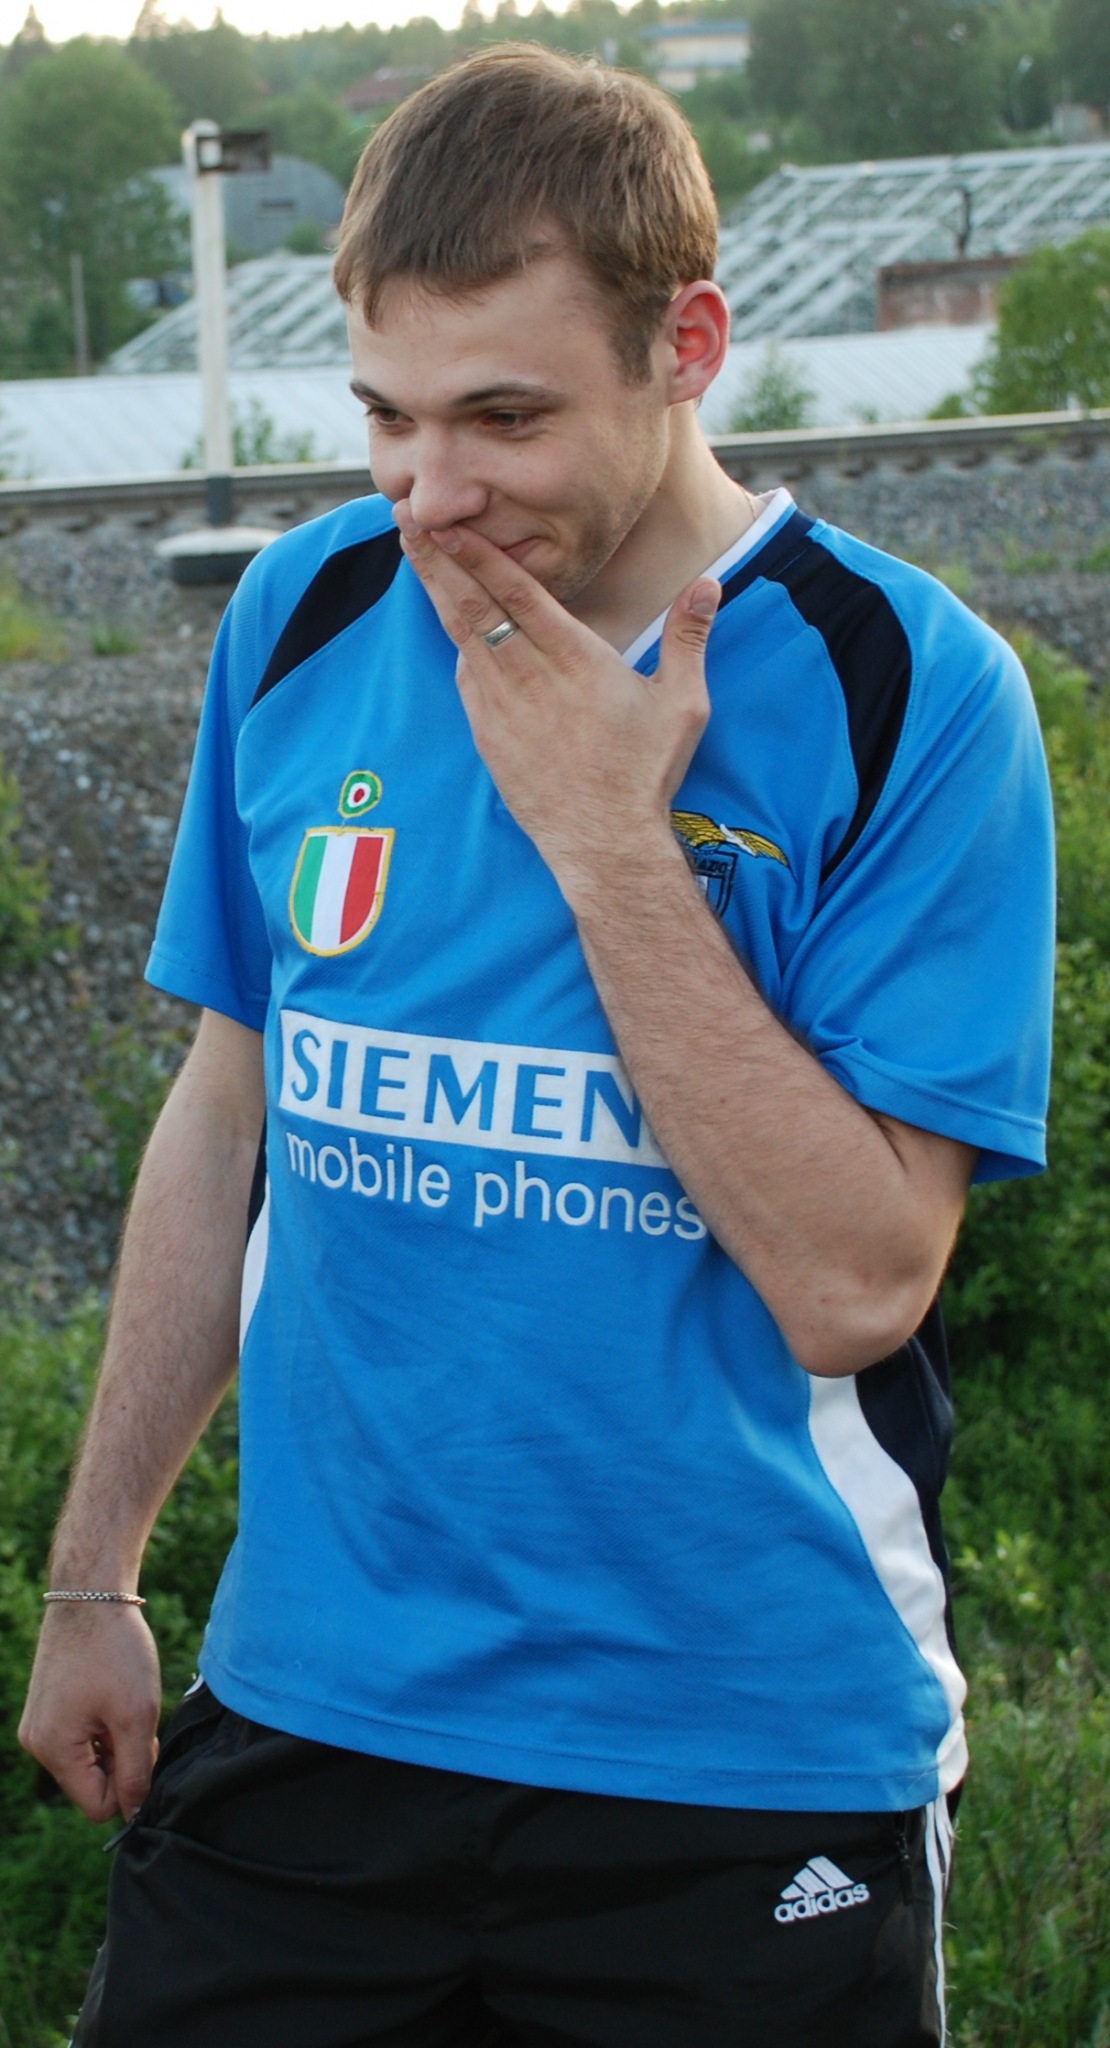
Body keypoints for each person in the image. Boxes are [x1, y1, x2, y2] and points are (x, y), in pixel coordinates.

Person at [20, 44, 1054, 2048]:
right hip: (313, 1720)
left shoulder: (909, 688)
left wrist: (605, 839)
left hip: (743, 1758)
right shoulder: (308, 612)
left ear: (688, 346)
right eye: (387, 417)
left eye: (504, 415)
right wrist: (95, 1572)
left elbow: (856, 1286)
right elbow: (229, 1112)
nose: (432, 492)